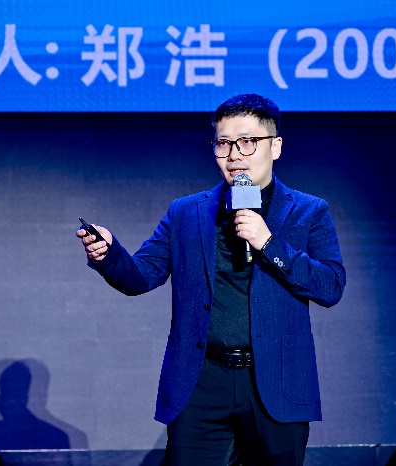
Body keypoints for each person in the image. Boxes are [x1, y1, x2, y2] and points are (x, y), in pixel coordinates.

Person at [77, 93, 346, 465]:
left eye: (247, 142)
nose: (234, 155)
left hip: (275, 380)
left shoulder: (309, 211)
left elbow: (330, 286)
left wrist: (268, 243)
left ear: (275, 147)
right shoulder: (186, 212)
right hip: (202, 380)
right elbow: (141, 276)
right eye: (223, 143)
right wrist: (109, 255)